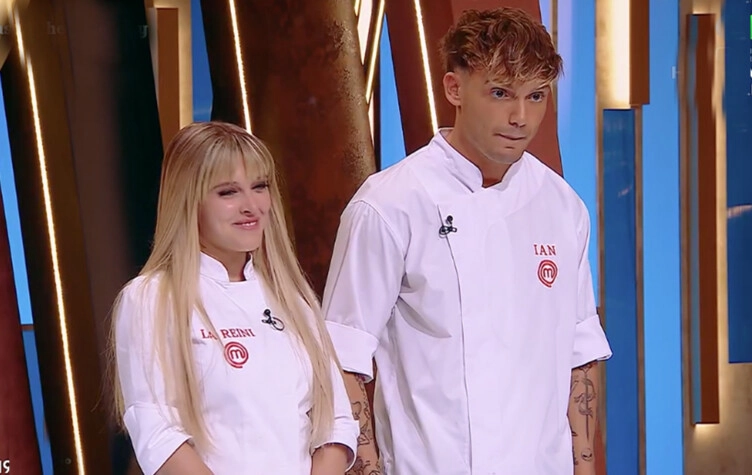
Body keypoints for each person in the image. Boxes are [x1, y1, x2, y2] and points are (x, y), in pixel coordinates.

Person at [322, 7, 612, 475]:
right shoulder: (390, 204)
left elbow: (580, 356)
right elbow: (343, 360)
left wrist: (585, 467)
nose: (520, 117)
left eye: (536, 96)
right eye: (500, 93)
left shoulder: (563, 206)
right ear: (454, 89)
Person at [111, 121, 358, 474]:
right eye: (228, 192)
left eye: (259, 187)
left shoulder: (292, 299)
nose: (252, 206)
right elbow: (158, 433)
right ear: (188, 201)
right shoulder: (151, 298)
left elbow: (337, 423)